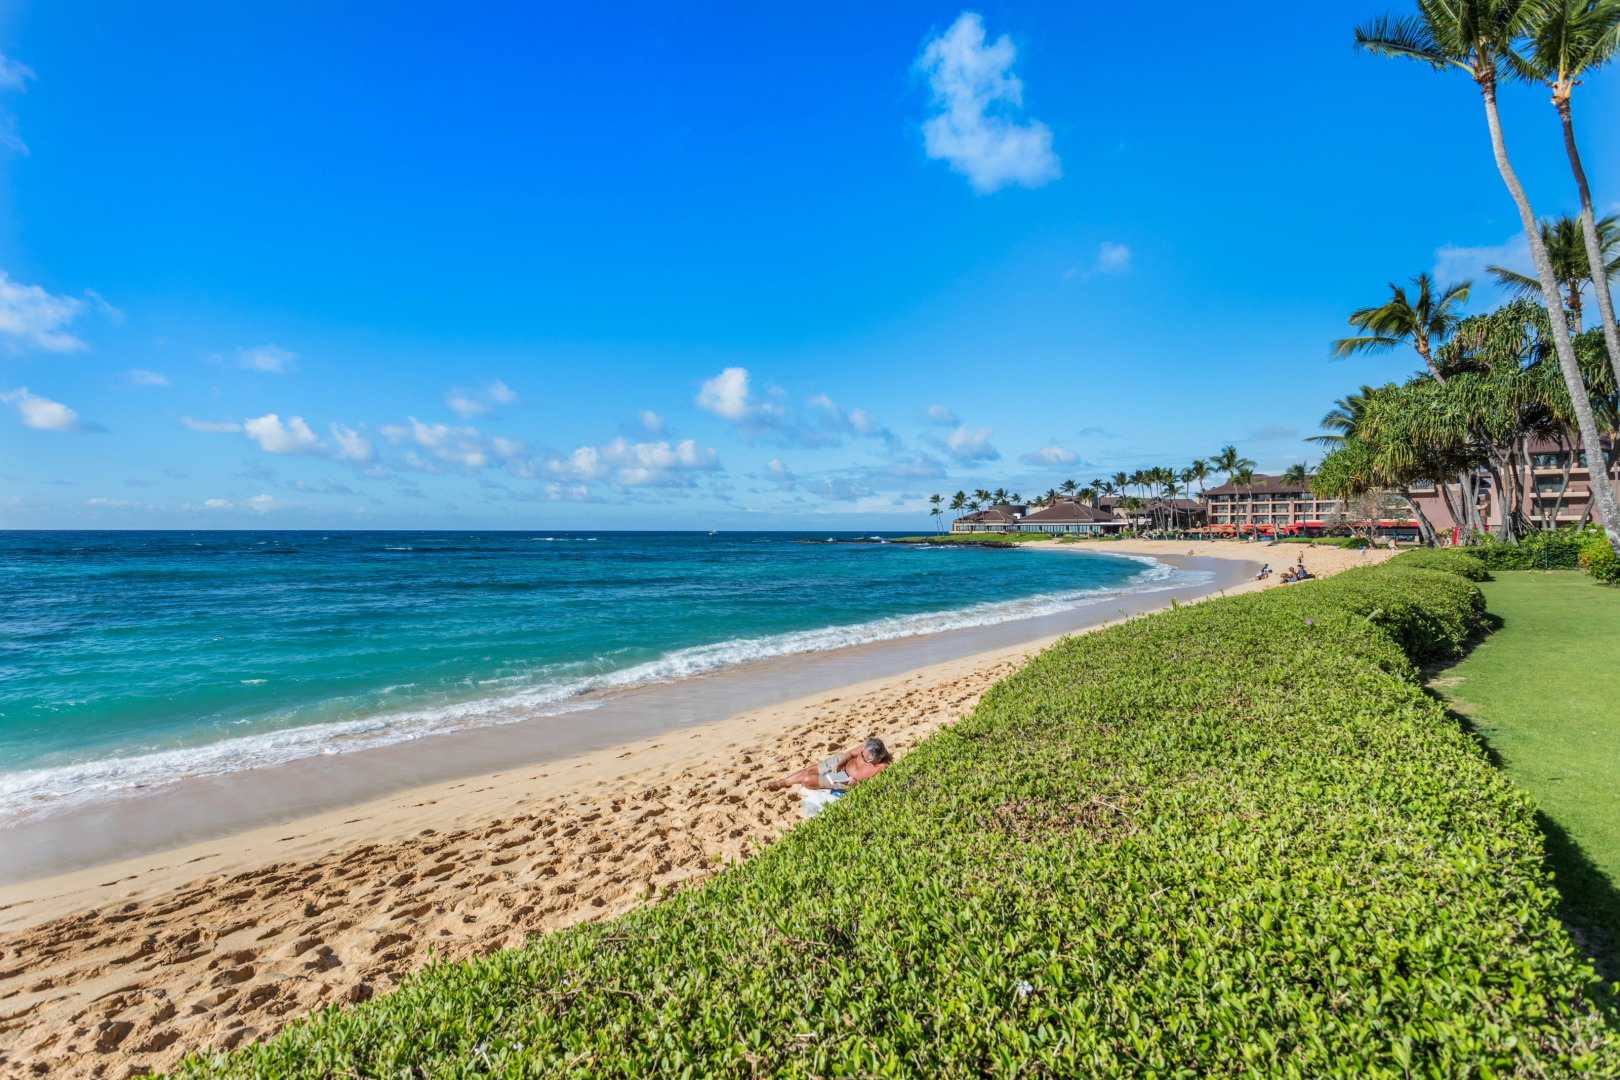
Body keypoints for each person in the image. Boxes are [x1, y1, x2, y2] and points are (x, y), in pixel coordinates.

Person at [765, 737, 892, 792]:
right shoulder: (869, 747)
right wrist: (839, 764)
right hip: (843, 763)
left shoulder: (884, 767)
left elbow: (876, 786)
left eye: (866, 759)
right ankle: (782, 782)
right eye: (862, 754)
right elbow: (850, 753)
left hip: (847, 781)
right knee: (811, 768)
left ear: (878, 760)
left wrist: (857, 783)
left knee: (807, 780)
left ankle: (790, 782)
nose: (862, 758)